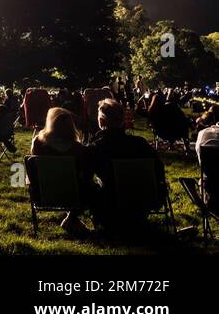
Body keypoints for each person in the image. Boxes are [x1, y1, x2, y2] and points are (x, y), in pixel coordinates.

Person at [86, 99, 156, 231]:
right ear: (123, 121)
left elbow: (85, 175)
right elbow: (158, 169)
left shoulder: (97, 148)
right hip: (143, 200)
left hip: (109, 202)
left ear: (101, 122)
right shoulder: (141, 144)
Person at [30, 107, 91, 232]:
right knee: (92, 188)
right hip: (73, 194)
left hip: (43, 193)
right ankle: (72, 218)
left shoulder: (38, 143)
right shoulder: (77, 148)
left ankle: (71, 220)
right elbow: (84, 174)